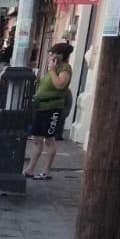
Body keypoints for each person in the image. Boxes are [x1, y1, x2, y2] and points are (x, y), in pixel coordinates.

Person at [26, 41, 75, 180]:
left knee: (49, 139)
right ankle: (30, 169)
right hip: (40, 107)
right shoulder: (51, 68)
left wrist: (52, 71)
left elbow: (60, 84)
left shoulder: (65, 68)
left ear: (59, 55)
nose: (49, 56)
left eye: (52, 54)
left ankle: (46, 171)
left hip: (52, 108)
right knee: (37, 139)